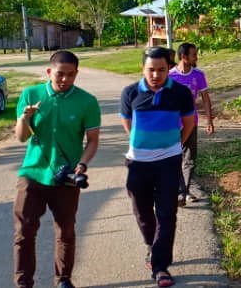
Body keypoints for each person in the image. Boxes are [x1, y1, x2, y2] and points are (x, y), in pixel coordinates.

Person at [13, 50, 101, 288]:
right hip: (33, 173)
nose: (65, 80)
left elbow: (92, 140)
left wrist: (82, 165)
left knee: (66, 231)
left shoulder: (87, 101)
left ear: (76, 74)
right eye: (60, 75)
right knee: (24, 232)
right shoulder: (31, 94)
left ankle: (63, 279)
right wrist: (24, 117)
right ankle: (23, 283)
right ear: (49, 71)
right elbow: (21, 137)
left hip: (67, 178)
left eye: (71, 75)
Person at [121, 47, 196, 287]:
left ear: (169, 69)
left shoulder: (181, 93)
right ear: (143, 69)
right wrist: (144, 147)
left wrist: (173, 146)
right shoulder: (130, 92)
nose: (156, 75)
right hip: (138, 163)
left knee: (167, 214)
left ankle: (160, 266)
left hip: (168, 162)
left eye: (161, 70)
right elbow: (128, 124)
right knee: (142, 211)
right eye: (151, 70)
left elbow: (189, 123)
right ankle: (151, 246)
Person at [168, 43, 214, 205]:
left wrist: (209, 121)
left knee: (189, 158)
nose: (196, 57)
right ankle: (180, 190)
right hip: (172, 125)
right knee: (173, 157)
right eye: (194, 55)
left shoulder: (199, 75)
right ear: (184, 57)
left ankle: (183, 191)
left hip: (191, 123)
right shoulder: (170, 76)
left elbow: (206, 99)